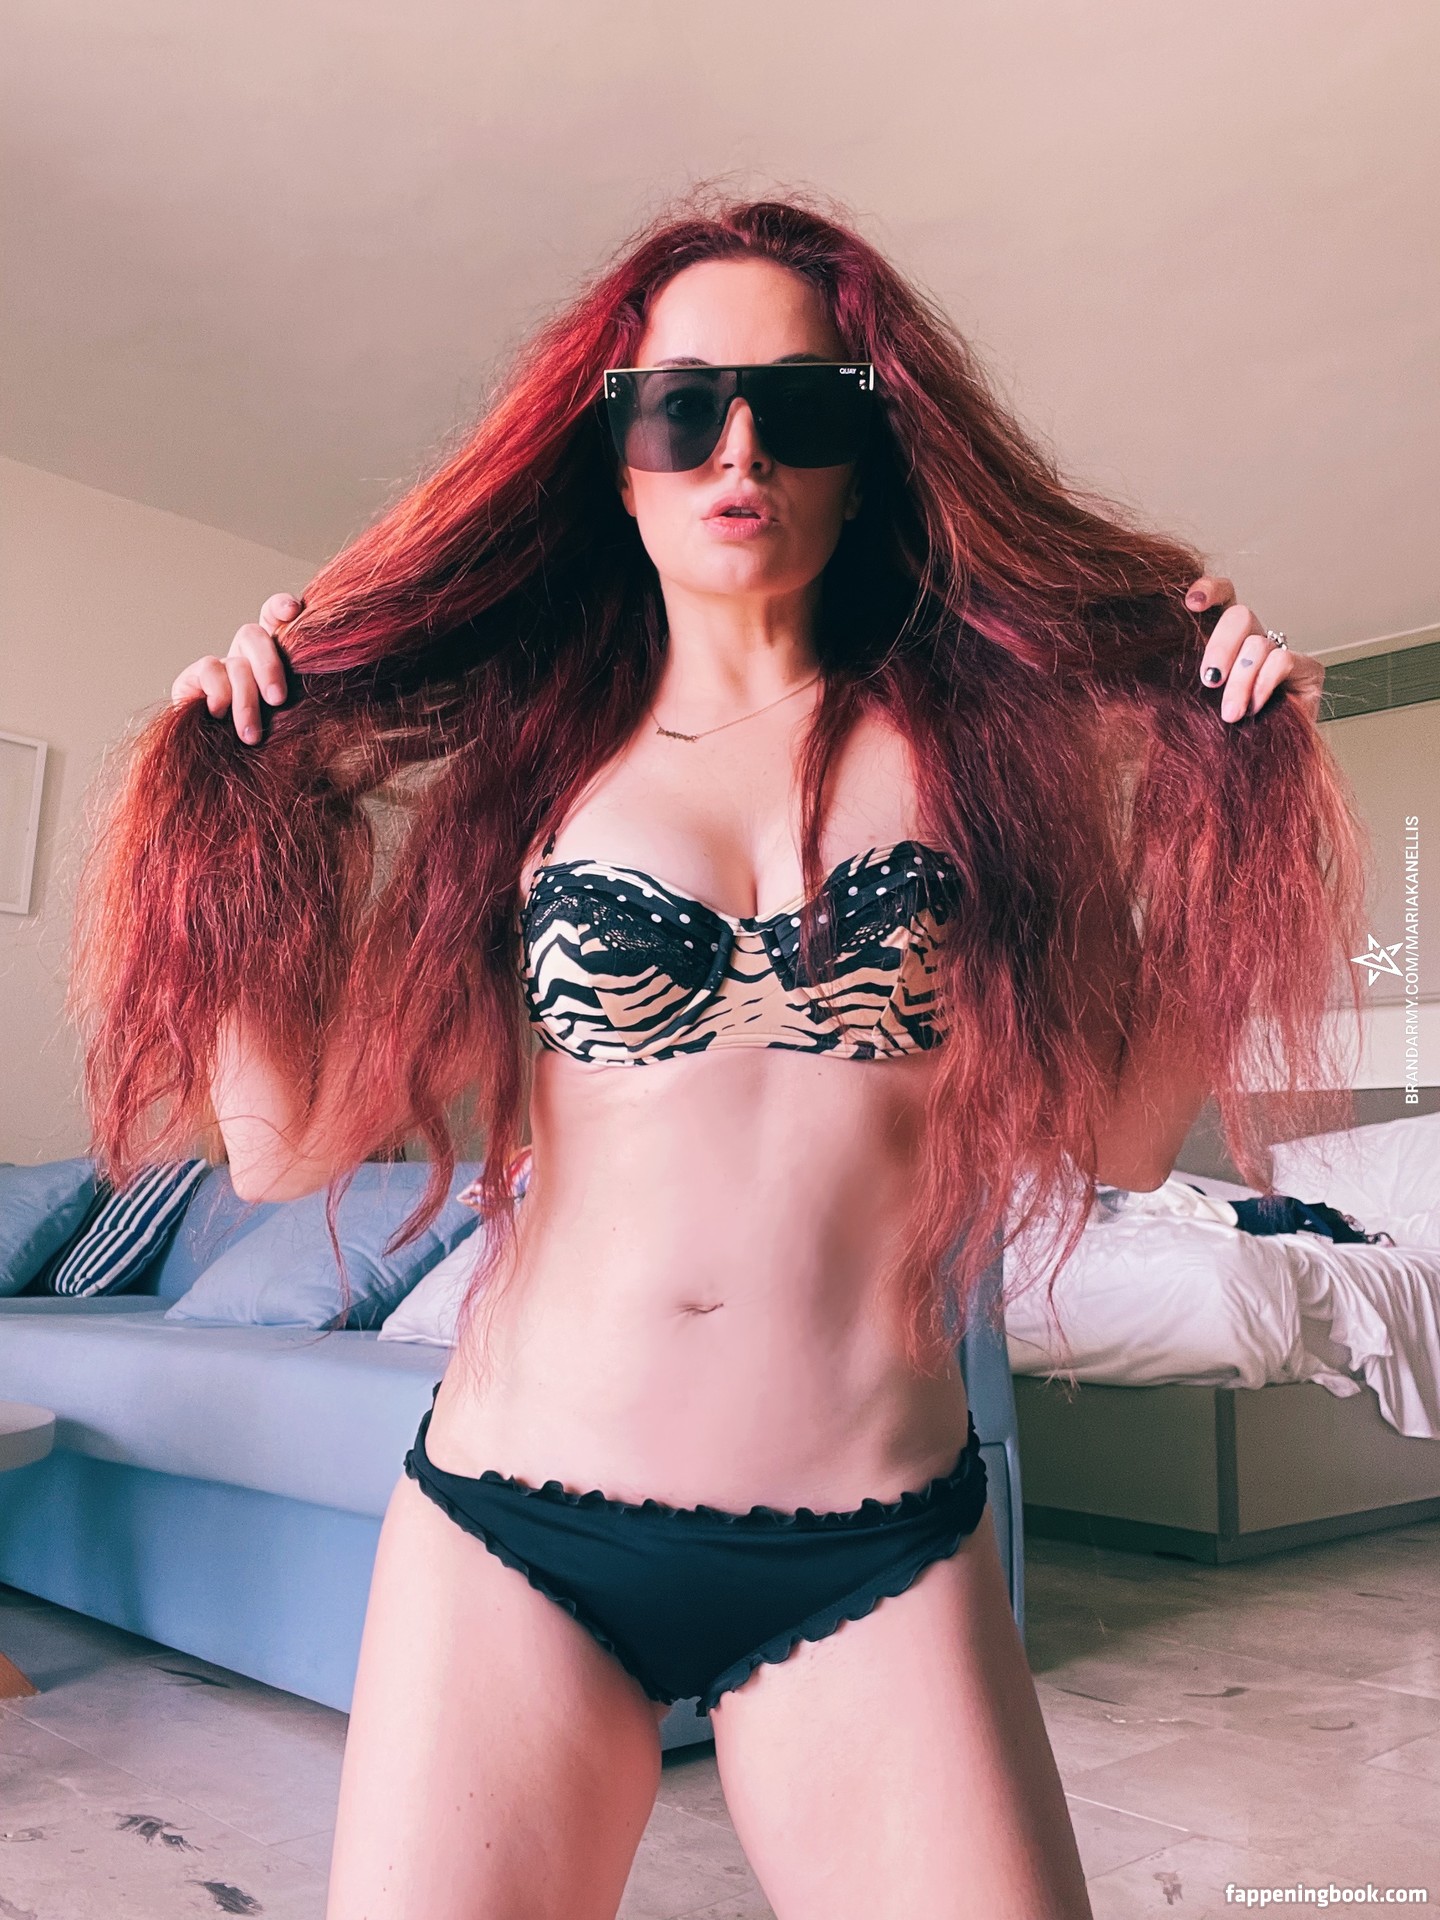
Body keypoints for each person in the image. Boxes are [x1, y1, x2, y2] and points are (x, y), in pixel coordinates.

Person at [80, 192, 1359, 1920]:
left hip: (872, 1551)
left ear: (868, 454)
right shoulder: (531, 773)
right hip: (514, 1534)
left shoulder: (987, 771)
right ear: (616, 461)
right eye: (682, 408)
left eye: (802, 405)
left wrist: (1224, 801)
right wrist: (246, 802)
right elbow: (282, 1146)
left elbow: (1125, 1144)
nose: (739, 447)